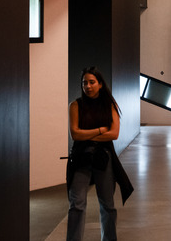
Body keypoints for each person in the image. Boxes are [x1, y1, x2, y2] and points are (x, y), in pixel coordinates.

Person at [66, 67, 133, 241]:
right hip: (80, 158)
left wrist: (87, 133)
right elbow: (75, 134)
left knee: (107, 204)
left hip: (103, 158)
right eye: (84, 83)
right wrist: (100, 130)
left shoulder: (110, 105)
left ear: (100, 84)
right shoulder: (75, 106)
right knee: (76, 204)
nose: (87, 86)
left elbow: (114, 134)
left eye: (91, 82)